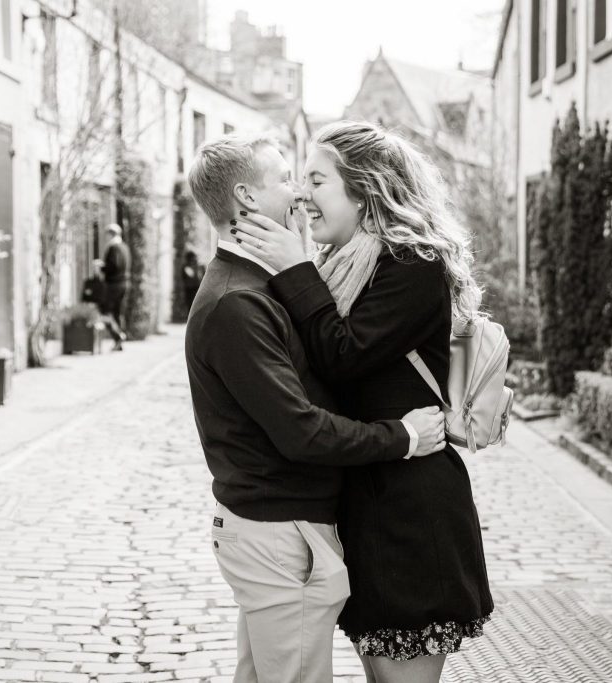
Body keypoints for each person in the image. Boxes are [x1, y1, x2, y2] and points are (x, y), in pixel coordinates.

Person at [231, 121, 494, 683]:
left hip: (411, 512)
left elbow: (343, 356)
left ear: (366, 190)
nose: (302, 194)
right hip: (365, 505)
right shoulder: (340, 267)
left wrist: (293, 268)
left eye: (317, 179)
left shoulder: (413, 265)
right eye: (300, 179)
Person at [184, 133, 448, 683]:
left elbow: (332, 363)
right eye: (286, 178)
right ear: (246, 198)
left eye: (312, 179)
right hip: (281, 532)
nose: (300, 192)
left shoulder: (267, 286)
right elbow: (301, 429)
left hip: (301, 526)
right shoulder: (240, 302)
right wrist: (401, 436)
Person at [99, 223, 130, 350]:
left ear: (111, 234)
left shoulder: (113, 248)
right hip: (124, 283)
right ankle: (119, 343)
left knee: (104, 311)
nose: (106, 238)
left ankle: (118, 335)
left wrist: (101, 266)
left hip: (113, 284)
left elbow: (113, 266)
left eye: (107, 235)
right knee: (117, 312)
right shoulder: (124, 247)